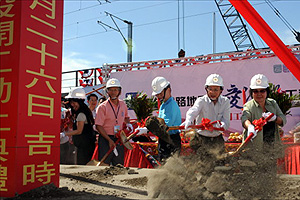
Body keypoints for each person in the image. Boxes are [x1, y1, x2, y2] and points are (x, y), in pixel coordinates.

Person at [181, 74, 230, 157]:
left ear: (221, 90)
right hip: (201, 139)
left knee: (220, 164)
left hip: (217, 140)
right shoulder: (201, 100)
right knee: (202, 166)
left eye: (216, 90)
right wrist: (189, 120)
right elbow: (193, 111)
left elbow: (226, 120)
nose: (213, 92)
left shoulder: (225, 101)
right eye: (210, 89)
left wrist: (223, 125)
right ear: (206, 89)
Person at [241, 74, 286, 150]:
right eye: (255, 91)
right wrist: (250, 127)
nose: (259, 94)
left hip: (272, 146)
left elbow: (283, 119)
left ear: (267, 92)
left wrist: (275, 118)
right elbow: (245, 118)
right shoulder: (248, 105)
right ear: (251, 93)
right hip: (254, 148)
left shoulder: (272, 103)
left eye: (262, 91)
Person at [95, 78, 132, 166]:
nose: (113, 92)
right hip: (105, 139)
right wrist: (109, 140)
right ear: (107, 91)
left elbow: (126, 117)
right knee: (104, 164)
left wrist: (128, 123)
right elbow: (98, 126)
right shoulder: (102, 107)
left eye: (115, 90)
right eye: (111, 90)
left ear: (119, 91)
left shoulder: (123, 104)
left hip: (118, 138)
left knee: (119, 164)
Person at [62, 88, 96, 165]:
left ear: (79, 102)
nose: (72, 105)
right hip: (86, 144)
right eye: (71, 103)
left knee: (82, 164)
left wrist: (65, 134)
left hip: (84, 145)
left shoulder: (81, 114)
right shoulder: (85, 111)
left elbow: (79, 131)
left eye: (74, 103)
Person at [151, 76, 182, 161]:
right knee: (163, 162)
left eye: (160, 94)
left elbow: (166, 125)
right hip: (164, 139)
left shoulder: (171, 105)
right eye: (157, 95)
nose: (159, 96)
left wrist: (149, 129)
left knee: (170, 165)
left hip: (171, 139)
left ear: (168, 90)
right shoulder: (163, 105)